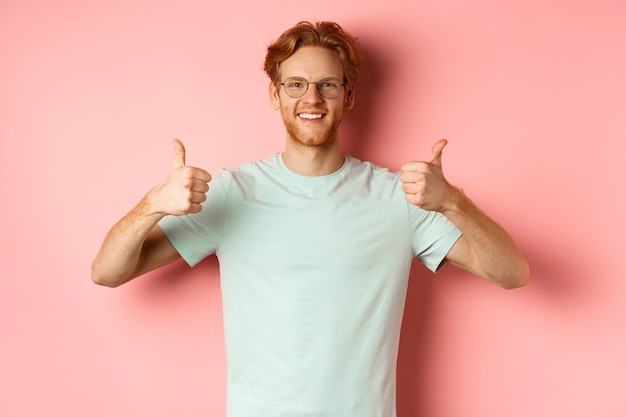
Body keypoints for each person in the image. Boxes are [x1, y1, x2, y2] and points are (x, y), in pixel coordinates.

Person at [92, 20, 528, 417]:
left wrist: (453, 201)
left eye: (327, 85)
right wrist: (153, 204)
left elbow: (511, 273)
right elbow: (108, 272)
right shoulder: (232, 194)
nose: (312, 99)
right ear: (275, 94)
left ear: (349, 94)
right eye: (296, 84)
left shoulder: (399, 198)